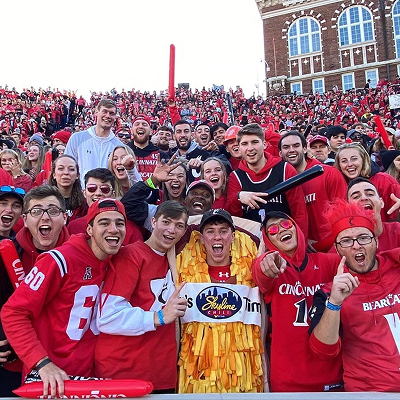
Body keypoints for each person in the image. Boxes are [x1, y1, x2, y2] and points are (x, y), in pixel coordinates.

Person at [1, 198, 127, 397]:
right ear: (89, 230)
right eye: (104, 223)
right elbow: (13, 312)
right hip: (51, 379)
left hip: (90, 378)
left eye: (119, 223)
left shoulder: (119, 260)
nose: (113, 229)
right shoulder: (58, 260)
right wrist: (41, 362)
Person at [95, 201, 188, 393]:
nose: (172, 230)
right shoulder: (130, 256)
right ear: (153, 222)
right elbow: (107, 317)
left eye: (179, 225)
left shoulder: (176, 259)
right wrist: (159, 317)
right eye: (167, 222)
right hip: (125, 372)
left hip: (162, 372)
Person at [309, 199, 400, 391]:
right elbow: (322, 351)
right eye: (347, 241)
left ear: (376, 241)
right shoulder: (329, 292)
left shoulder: (396, 265)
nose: (356, 246)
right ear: (337, 248)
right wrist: (334, 303)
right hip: (371, 391)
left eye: (364, 238)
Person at [176, 209, 265, 393]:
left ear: (233, 237)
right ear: (201, 238)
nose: (217, 237)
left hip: (243, 380)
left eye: (223, 231)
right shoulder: (183, 272)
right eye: (210, 231)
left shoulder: (251, 273)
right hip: (199, 378)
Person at [252, 211, 342, 392]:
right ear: (269, 242)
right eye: (273, 230)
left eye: (285, 224)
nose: (280, 230)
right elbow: (261, 273)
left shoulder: (328, 262)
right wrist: (266, 262)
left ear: (296, 228)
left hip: (331, 377)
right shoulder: (273, 266)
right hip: (287, 380)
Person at [226, 123, 308, 237]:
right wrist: (238, 197)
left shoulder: (285, 170)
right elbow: (232, 217)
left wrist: (300, 242)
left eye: (255, 142)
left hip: (284, 239)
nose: (250, 148)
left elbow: (299, 212)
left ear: (264, 144)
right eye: (244, 144)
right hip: (252, 244)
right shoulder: (235, 177)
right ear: (239, 148)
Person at [278, 131, 346, 242]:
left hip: (331, 248)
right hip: (298, 247)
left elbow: (343, 215)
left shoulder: (328, 173)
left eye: (296, 145)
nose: (291, 150)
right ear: (280, 153)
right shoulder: (279, 181)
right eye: (286, 147)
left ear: (305, 148)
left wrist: (324, 243)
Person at [67, 168, 142, 246]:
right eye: (92, 188)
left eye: (104, 189)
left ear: (113, 195)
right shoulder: (73, 227)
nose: (98, 193)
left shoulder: (131, 230)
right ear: (84, 193)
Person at [334, 142, 400, 221]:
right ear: (339, 165)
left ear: (363, 160)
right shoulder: (336, 186)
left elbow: (394, 216)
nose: (349, 164)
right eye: (344, 161)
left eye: (354, 159)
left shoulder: (384, 181)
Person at [65, 99, 122, 187]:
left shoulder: (118, 146)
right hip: (81, 195)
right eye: (104, 111)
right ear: (96, 112)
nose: (108, 116)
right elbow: (68, 167)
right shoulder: (77, 139)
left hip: (107, 195)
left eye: (111, 113)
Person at [15, 185, 70, 274]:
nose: (45, 217)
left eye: (53, 211)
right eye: (36, 211)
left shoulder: (77, 253)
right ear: (25, 220)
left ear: (64, 218)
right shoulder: (10, 251)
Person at [347, 177, 400, 252]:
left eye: (370, 194)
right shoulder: (344, 244)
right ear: (348, 208)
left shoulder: (397, 230)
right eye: (356, 197)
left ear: (382, 203)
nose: (364, 198)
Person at [127, 115, 167, 181]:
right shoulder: (124, 153)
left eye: (144, 124)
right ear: (131, 131)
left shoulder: (161, 155)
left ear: (151, 131)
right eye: (137, 124)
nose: (140, 126)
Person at [48, 155, 87, 223]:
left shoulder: (85, 203)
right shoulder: (43, 200)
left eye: (71, 169)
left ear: (77, 175)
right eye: (61, 168)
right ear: (54, 174)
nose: (66, 173)